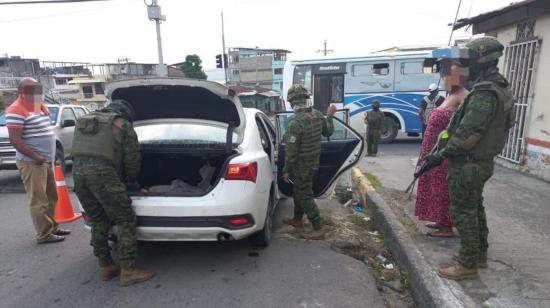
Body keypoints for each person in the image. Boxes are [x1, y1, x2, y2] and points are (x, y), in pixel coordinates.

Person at [425, 37, 514, 280]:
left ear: (481, 62)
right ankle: (478, 254)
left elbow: (468, 133)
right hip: (481, 161)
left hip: (468, 162)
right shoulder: (499, 88)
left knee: (463, 210)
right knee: (475, 206)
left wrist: (440, 155)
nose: (466, 68)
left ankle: (467, 264)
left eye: (470, 62)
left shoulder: (485, 92)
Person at [72, 100, 153, 286]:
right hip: (104, 177)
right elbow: (132, 161)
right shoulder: (122, 125)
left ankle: (106, 266)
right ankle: (129, 270)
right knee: (125, 219)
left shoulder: (84, 120)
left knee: (98, 219)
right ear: (126, 114)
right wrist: (131, 182)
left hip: (78, 176)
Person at [6, 77, 71, 244]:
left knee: (51, 196)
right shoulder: (16, 109)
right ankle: (44, 234)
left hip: (45, 160)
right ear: (22, 92)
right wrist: (36, 156)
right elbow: (15, 139)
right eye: (31, 90)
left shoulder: (37, 105)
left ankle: (53, 227)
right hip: (32, 162)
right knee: (38, 199)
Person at [415, 63, 469, 238]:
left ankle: (447, 226)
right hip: (432, 148)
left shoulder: (464, 96)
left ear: (461, 76)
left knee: (442, 188)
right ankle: (440, 220)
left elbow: (466, 126)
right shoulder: (449, 94)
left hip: (443, 152)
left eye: (450, 75)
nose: (445, 78)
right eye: (445, 75)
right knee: (432, 185)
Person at [282, 84, 335, 240]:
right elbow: (328, 132)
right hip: (313, 163)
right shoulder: (318, 115)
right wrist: (330, 116)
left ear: (293, 103)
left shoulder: (295, 124)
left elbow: (291, 152)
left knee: (304, 196)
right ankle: (297, 220)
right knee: (299, 192)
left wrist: (286, 169)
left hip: (301, 166)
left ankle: (318, 228)